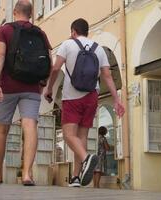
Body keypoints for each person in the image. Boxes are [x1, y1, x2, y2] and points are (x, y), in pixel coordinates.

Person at [44, 18, 125, 187]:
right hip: (91, 96)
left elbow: (56, 68)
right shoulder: (98, 49)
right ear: (87, 31)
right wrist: (117, 100)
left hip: (72, 96)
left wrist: (49, 88)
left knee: (68, 135)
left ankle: (86, 158)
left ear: (73, 31)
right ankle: (75, 178)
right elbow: (107, 76)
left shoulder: (68, 44)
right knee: (81, 137)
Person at [0, 0, 52, 186]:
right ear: (31, 14)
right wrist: (43, 83)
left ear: (14, 12)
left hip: (7, 87)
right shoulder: (40, 33)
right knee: (30, 126)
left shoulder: (5, 30)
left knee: (1, 130)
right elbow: (49, 59)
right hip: (31, 88)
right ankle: (27, 174)